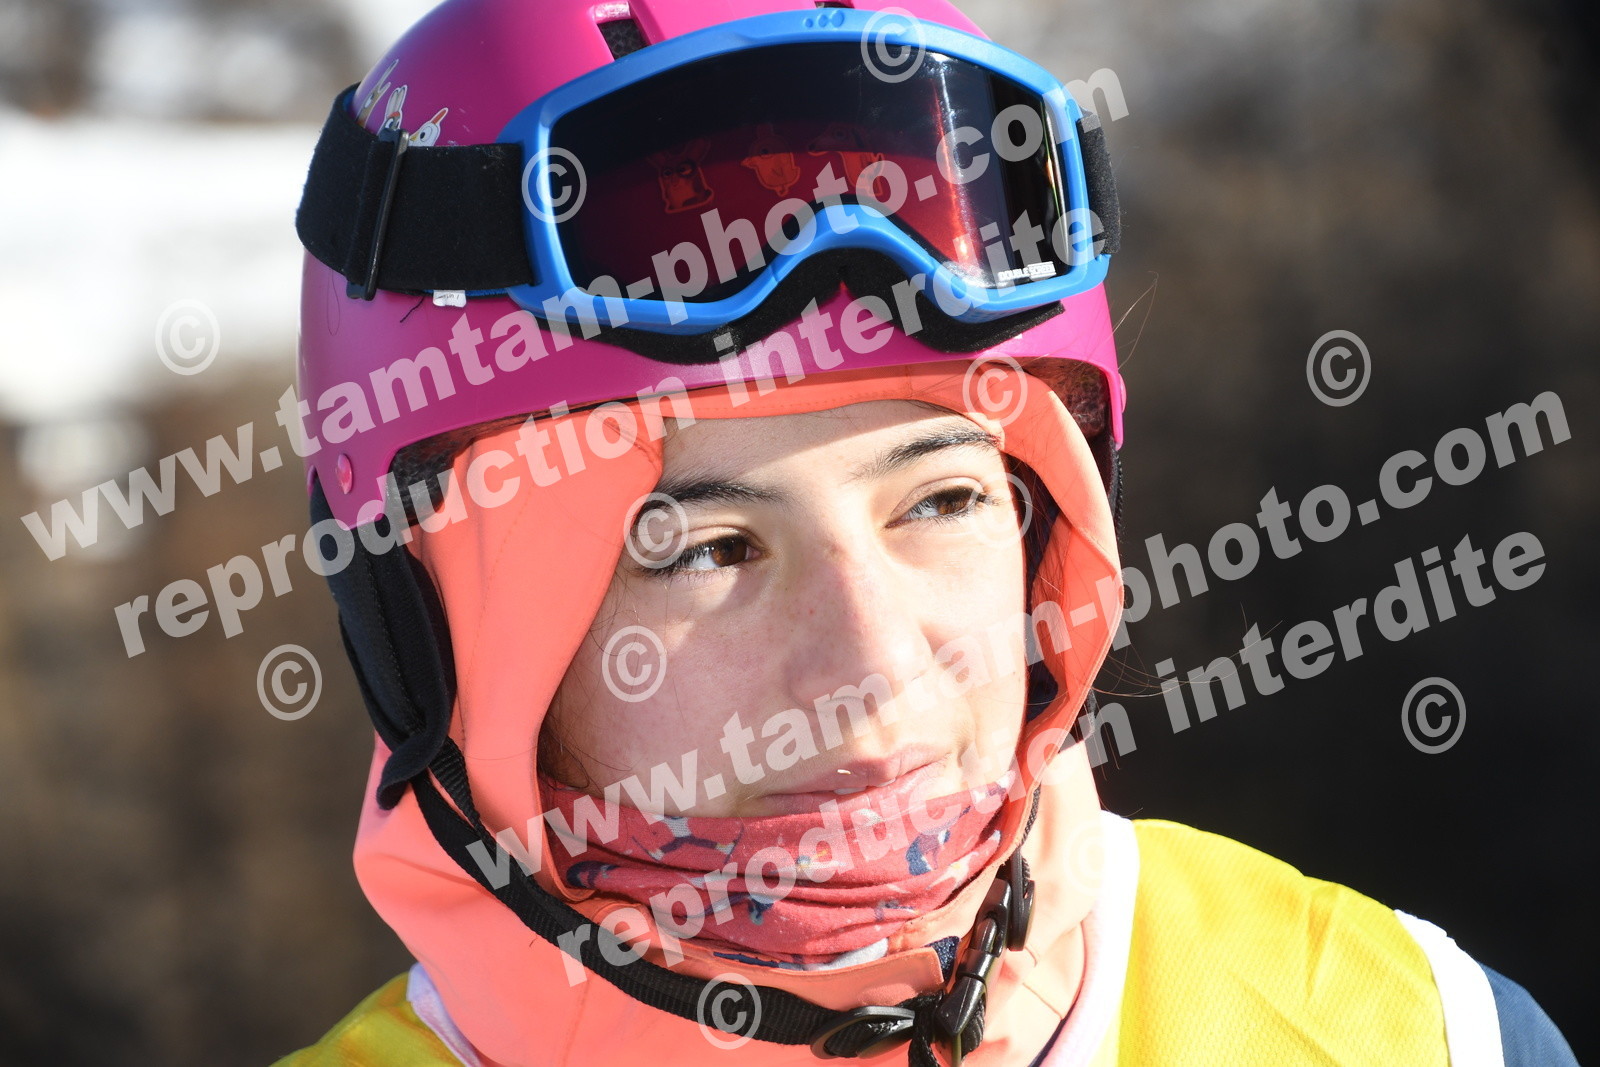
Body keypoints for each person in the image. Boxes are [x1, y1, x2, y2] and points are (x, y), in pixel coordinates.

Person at [276, 0, 1577, 1063]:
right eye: (707, 551)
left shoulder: (1416, 1033)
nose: (874, 672)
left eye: (942, 501)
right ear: (424, 636)